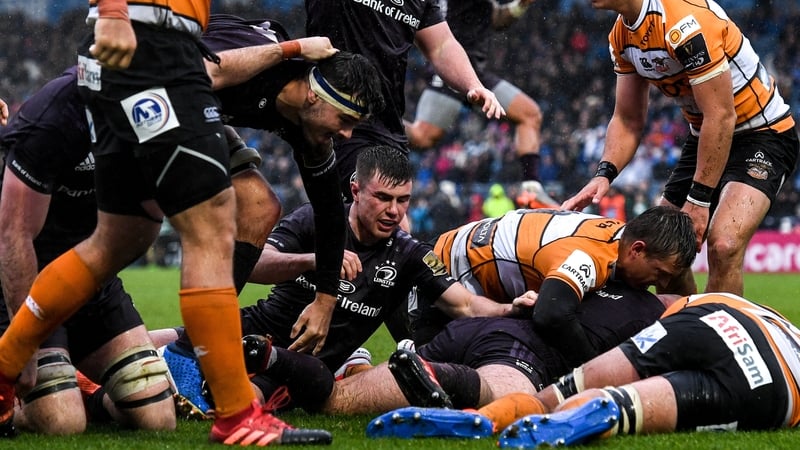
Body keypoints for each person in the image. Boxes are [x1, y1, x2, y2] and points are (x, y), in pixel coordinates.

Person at [0, 1, 346, 445]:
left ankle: (7, 362)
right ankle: (236, 412)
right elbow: (210, 70)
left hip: (147, 49)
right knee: (214, 223)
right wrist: (114, 11)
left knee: (124, 237)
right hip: (158, 49)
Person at [161, 145, 525, 415]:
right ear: (355, 190)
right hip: (253, 325)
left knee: (229, 403)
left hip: (295, 365)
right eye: (382, 198)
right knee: (145, 348)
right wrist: (317, 261)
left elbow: (465, 304)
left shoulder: (410, 253)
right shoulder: (316, 220)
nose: (394, 211)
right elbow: (255, 265)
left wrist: (511, 308)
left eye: (403, 200)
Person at [561, 0, 799, 297]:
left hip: (763, 132)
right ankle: (681, 332)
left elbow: (722, 116)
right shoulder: (620, 37)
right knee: (663, 247)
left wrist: (699, 202)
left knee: (723, 244)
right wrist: (604, 173)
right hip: (705, 135)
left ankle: (718, 339)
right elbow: (627, 119)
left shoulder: (685, 22)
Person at [380, 292, 800, 446]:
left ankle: (483, 419)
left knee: (553, 395)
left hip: (709, 316)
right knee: (629, 406)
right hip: (776, 385)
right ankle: (601, 414)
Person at [322, 281, 676, 421]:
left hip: (478, 326)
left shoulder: (592, 267)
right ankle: (444, 379)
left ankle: (327, 368)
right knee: (513, 399)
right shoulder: (668, 314)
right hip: (518, 351)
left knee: (338, 401)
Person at [430, 206, 697, 367]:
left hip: (462, 251)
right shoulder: (588, 258)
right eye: (660, 273)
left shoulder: (621, 236)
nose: (661, 284)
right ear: (637, 251)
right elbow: (550, 315)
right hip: (443, 270)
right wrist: (597, 371)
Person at [305, 0, 505, 199]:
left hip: (389, 126)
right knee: (376, 216)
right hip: (339, 119)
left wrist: (474, 85)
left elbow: (442, 46)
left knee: (377, 220)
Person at [405, 0, 557, 207]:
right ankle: (376, 121)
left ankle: (532, 191)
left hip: (476, 74)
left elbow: (495, 18)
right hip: (453, 69)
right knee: (422, 137)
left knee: (530, 114)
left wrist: (520, 5)